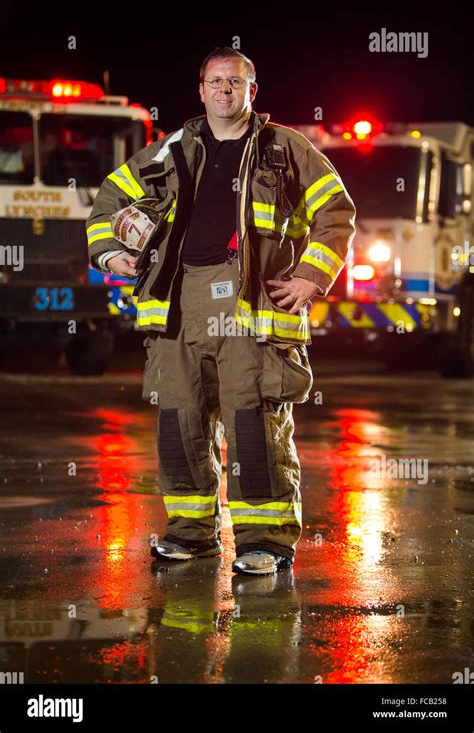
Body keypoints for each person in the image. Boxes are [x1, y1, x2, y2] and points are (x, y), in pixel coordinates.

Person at [85, 46, 356, 576]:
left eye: (236, 82)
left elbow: (336, 210)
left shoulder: (285, 148)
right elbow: (108, 201)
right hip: (178, 302)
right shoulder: (170, 151)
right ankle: (190, 536)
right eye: (216, 82)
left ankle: (265, 544)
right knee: (179, 420)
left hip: (250, 305)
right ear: (201, 89)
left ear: (252, 92)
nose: (225, 91)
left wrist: (310, 275)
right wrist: (110, 253)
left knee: (253, 423)